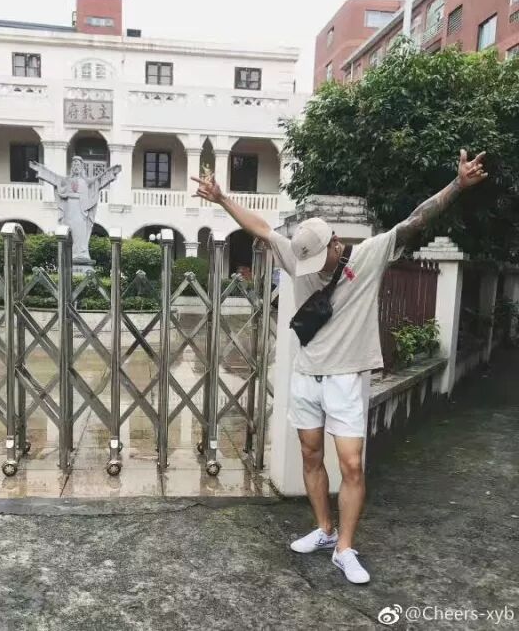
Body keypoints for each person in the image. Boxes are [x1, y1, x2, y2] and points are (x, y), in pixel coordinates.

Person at [192, 149, 488, 584]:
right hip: (306, 376)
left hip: (346, 379)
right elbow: (261, 228)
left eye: (320, 260)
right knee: (311, 454)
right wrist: (221, 198)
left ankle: (345, 548)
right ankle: (325, 530)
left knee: (351, 465)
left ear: (334, 242)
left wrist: (458, 185)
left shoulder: (369, 255)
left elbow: (414, 220)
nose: (310, 269)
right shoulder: (297, 254)